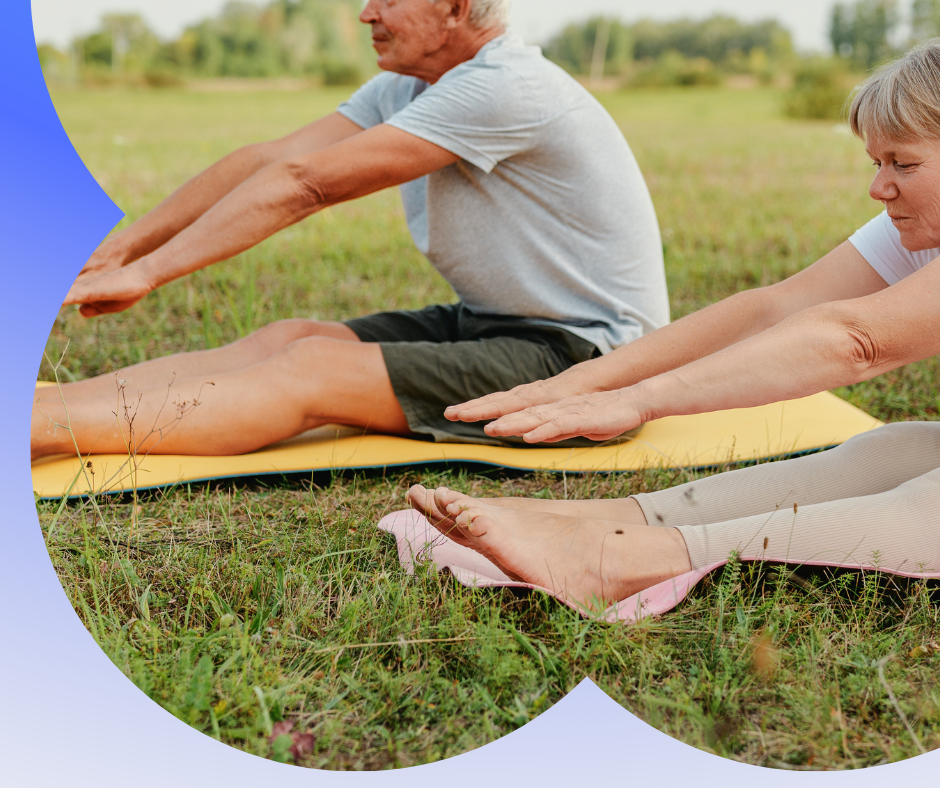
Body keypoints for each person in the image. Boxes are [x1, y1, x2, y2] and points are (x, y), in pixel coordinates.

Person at [408, 40, 940, 608]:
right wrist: (582, 381)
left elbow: (856, 342)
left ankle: (615, 561)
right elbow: (775, 309)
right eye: (877, 163)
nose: (879, 187)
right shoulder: (917, 223)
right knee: (895, 450)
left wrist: (642, 400)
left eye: (903, 164)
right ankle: (601, 522)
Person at [32, 0, 668, 460]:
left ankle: (38, 433)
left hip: (585, 360)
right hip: (493, 322)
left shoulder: (504, 87)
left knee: (310, 370)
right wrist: (121, 248)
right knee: (290, 336)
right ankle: (42, 408)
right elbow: (266, 160)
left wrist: (148, 273)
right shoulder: (410, 85)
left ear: (455, 8)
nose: (366, 13)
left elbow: (307, 184)